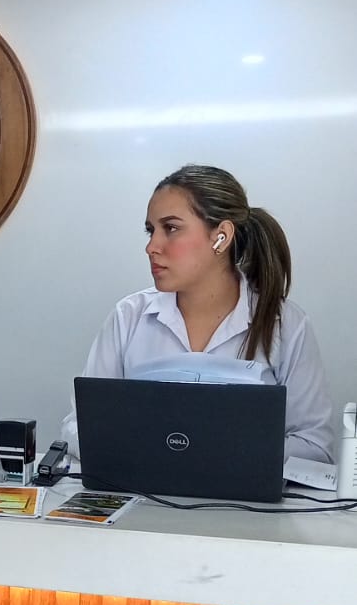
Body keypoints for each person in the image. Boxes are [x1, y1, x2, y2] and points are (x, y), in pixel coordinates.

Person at [62, 164, 335, 464]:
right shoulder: (128, 317)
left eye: (171, 228)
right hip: (142, 492)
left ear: (221, 237)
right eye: (151, 231)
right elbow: (77, 427)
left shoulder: (287, 325)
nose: (151, 247)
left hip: (241, 495)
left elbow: (314, 446)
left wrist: (215, 453)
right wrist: (151, 450)